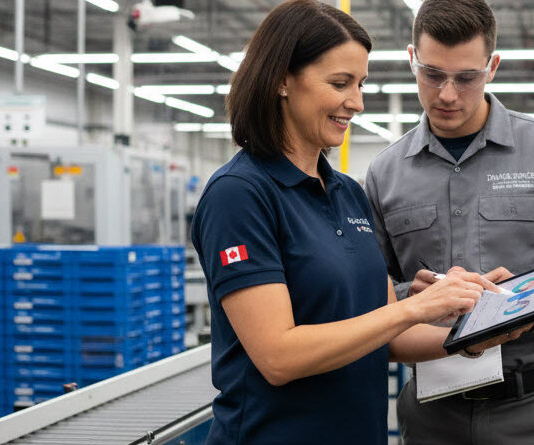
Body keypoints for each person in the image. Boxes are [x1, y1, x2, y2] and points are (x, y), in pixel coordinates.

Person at [190, 1, 508, 444]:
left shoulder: (347, 192)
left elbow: (388, 335)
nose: (356, 102)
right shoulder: (239, 194)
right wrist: (412, 307)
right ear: (282, 78)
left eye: (360, 83)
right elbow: (278, 356)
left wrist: (476, 332)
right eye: (340, 83)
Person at [363, 0, 534, 443]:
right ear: (412, 60)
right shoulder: (384, 173)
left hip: (530, 408)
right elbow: (374, 291)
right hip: (430, 413)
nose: (447, 93)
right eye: (432, 74)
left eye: (466, 77)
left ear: (492, 67)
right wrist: (416, 297)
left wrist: (526, 310)